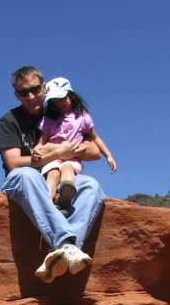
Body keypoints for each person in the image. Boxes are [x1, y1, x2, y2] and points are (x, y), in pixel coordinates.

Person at [0, 66, 106, 284]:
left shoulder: (61, 111)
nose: (31, 96)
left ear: (44, 88)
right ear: (17, 95)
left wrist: (68, 151)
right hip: (26, 182)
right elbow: (14, 162)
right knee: (26, 175)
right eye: (24, 92)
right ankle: (66, 243)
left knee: (91, 185)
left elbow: (94, 151)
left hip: (60, 177)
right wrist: (57, 152)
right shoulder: (9, 121)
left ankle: (64, 254)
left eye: (35, 89)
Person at [34, 77, 116, 216]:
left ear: (70, 95)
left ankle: (66, 198)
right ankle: (46, 205)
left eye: (62, 98)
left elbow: (95, 137)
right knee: (53, 174)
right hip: (54, 157)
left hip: (72, 158)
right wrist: (37, 148)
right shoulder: (48, 120)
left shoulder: (82, 117)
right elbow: (42, 142)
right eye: (55, 101)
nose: (59, 103)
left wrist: (108, 156)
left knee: (68, 168)